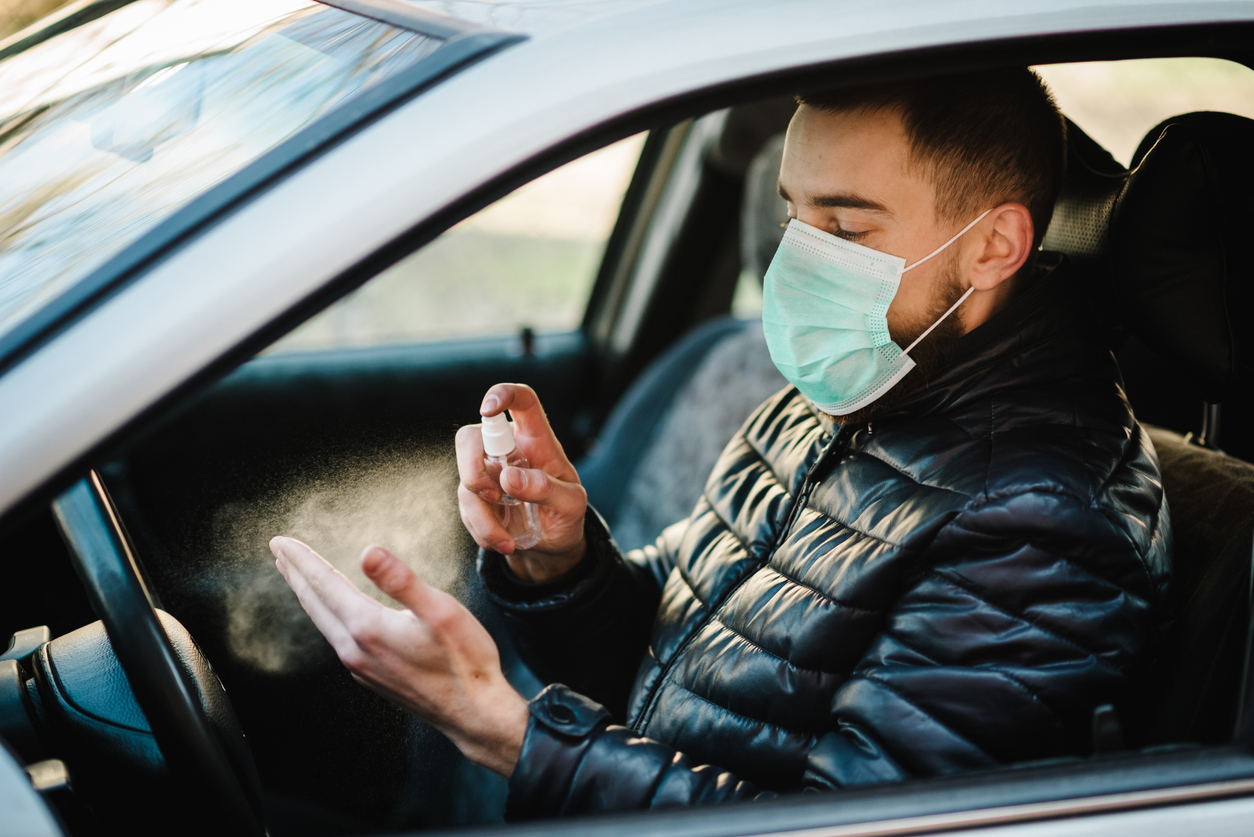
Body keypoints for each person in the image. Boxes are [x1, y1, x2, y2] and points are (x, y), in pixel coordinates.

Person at [270, 68, 1171, 818]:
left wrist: (504, 731)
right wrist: (562, 561)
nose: (798, 263)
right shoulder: (851, 388)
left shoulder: (1043, 518)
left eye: (847, 228)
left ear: (995, 246)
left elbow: (846, 827)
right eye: (794, 216)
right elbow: (668, 656)